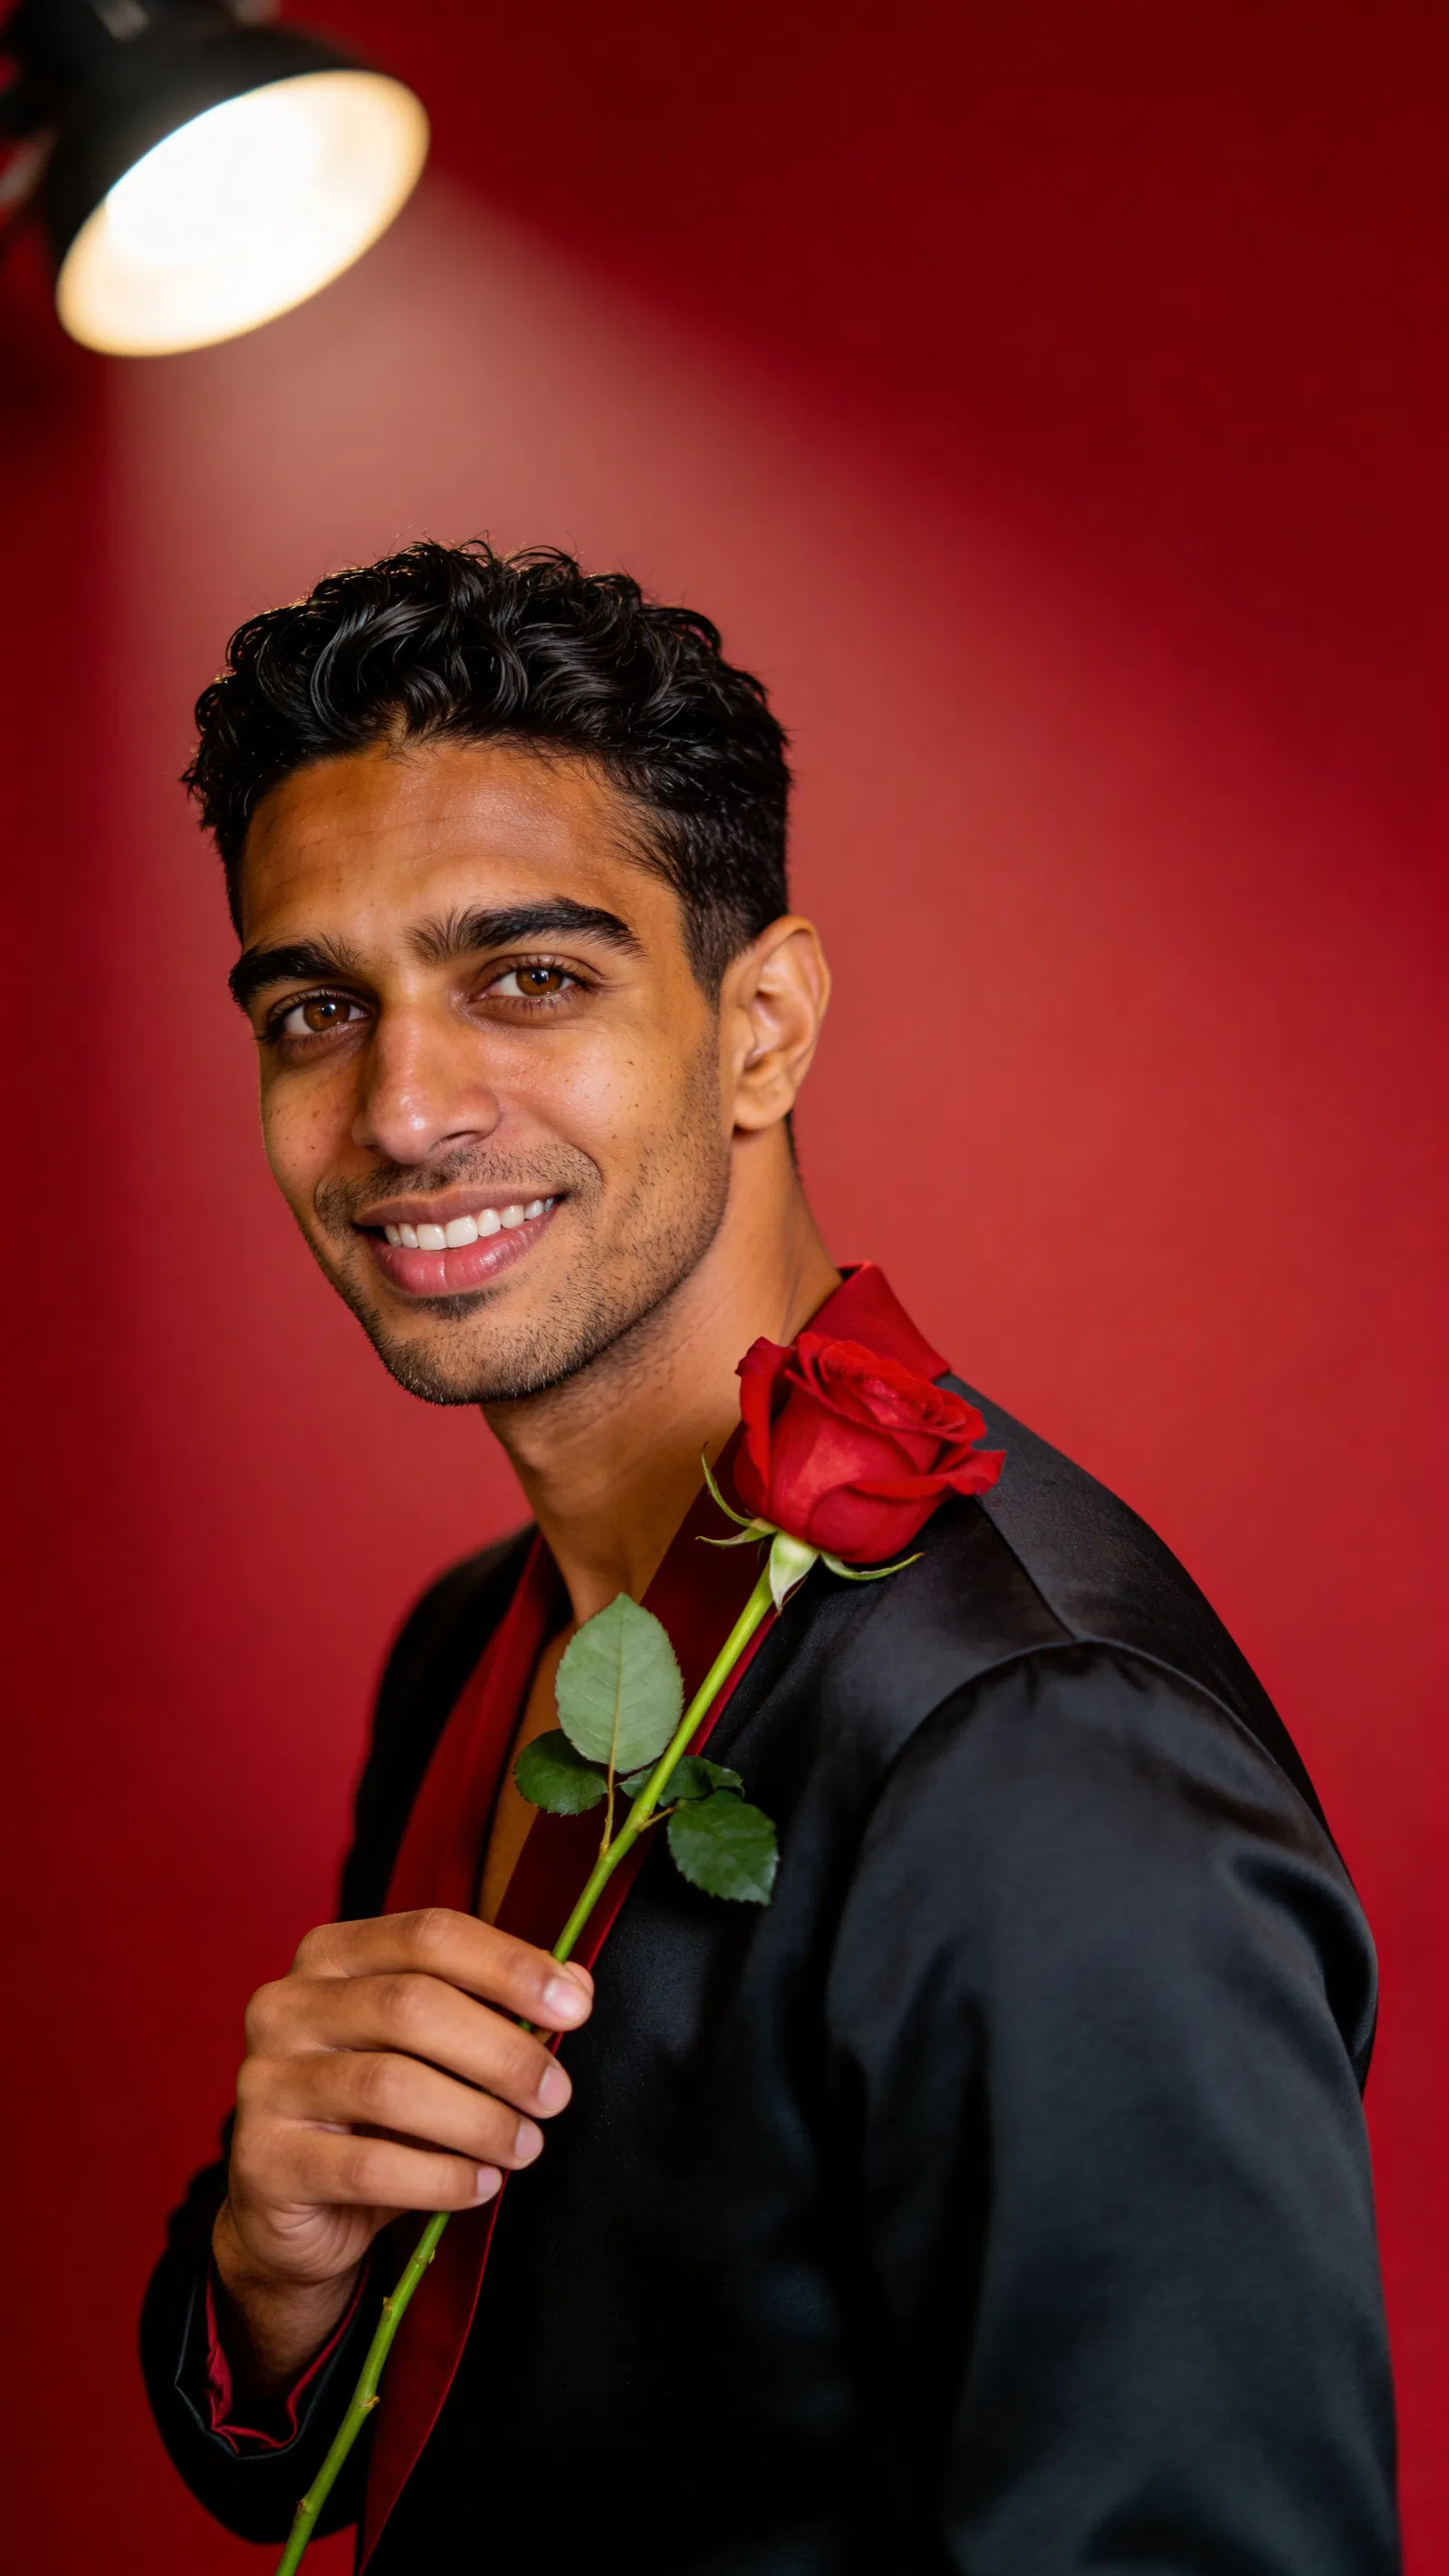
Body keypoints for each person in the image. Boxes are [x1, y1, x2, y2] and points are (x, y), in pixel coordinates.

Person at [141, 541, 1397, 2575]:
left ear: (762, 1028)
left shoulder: (1042, 1764)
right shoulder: (469, 1643)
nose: (398, 1109)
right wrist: (269, 2278)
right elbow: (440, 2460)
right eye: (313, 1009)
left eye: (528, 979)